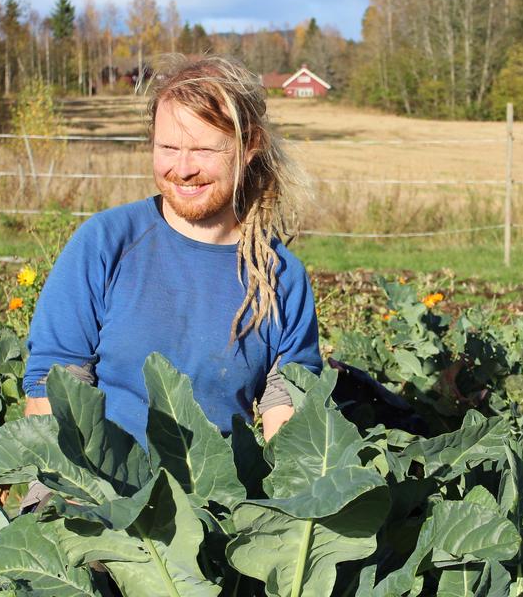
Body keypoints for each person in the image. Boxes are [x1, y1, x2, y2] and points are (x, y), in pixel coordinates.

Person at [22, 55, 321, 446]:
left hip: (214, 499)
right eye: (168, 147)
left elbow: (287, 415)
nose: (182, 169)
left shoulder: (278, 276)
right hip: (98, 492)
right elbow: (54, 382)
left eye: (203, 150)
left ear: (251, 146)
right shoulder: (106, 242)